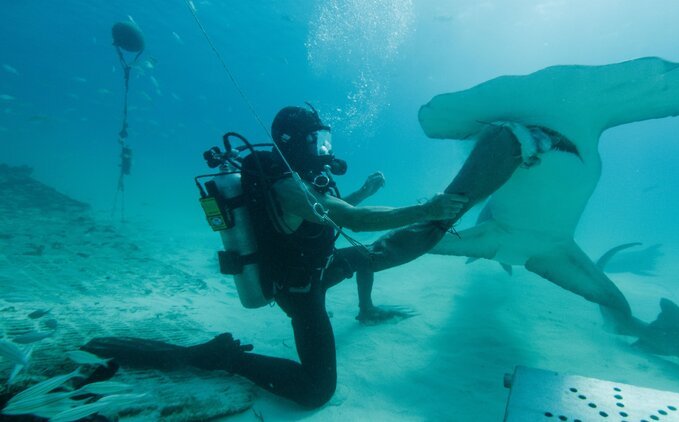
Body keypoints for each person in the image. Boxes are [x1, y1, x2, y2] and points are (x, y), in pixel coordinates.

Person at [84, 104, 510, 409]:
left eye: (326, 139)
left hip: (316, 268)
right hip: (301, 292)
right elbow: (352, 220)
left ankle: (367, 309)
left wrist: (364, 192)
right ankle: (223, 358)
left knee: (362, 258)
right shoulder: (289, 187)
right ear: (295, 142)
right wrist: (426, 210)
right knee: (315, 391)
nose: (324, 149)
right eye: (317, 141)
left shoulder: (301, 181)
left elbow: (328, 215)